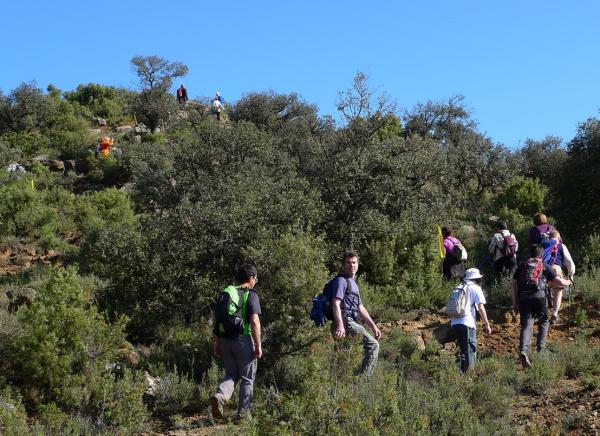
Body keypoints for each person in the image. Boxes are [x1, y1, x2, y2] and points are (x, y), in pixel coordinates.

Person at [210, 265, 262, 422]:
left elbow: (218, 319)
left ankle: (220, 396)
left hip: (225, 339)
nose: (256, 281)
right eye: (256, 278)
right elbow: (254, 322)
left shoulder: (228, 292)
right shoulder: (250, 294)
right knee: (247, 378)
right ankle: (244, 416)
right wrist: (258, 345)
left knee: (231, 374)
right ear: (251, 278)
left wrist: (218, 342)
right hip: (243, 339)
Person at [511, 245, 571, 369]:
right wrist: (569, 281)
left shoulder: (522, 266)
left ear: (530, 254)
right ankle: (541, 350)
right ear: (541, 255)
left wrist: (515, 302)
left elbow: (513, 284)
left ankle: (523, 350)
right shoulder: (544, 265)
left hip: (523, 298)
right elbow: (558, 282)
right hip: (539, 297)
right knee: (543, 322)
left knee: (526, 324)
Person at [332, 250, 381, 376]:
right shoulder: (341, 281)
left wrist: (373, 326)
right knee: (373, 345)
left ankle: (341, 383)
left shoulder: (353, 283)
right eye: (348, 263)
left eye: (354, 262)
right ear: (344, 265)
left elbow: (360, 308)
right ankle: (364, 382)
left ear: (358, 264)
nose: (351, 265)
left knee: (343, 356)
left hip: (349, 322)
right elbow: (336, 303)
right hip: (345, 323)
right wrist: (340, 325)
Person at [450, 268, 492, 373]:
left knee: (463, 350)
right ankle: (470, 375)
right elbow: (481, 307)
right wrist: (487, 324)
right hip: (467, 322)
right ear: (476, 279)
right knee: (471, 349)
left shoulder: (458, 287)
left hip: (454, 322)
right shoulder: (475, 288)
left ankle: (462, 374)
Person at [542, 230, 575, 324]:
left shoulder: (543, 244)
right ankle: (554, 315)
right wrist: (571, 274)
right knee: (558, 292)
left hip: (543, 269)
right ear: (558, 237)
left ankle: (543, 314)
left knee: (542, 291)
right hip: (555, 268)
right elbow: (569, 261)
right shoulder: (561, 245)